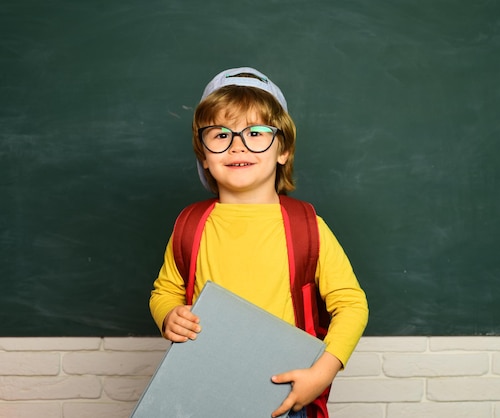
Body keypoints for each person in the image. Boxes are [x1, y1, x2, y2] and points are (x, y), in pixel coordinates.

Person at [149, 67, 368, 418]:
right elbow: (165, 291)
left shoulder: (307, 226)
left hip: (281, 397)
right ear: (203, 155)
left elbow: (351, 304)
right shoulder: (190, 225)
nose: (238, 144)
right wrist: (168, 316)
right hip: (201, 390)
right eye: (220, 135)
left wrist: (322, 373)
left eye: (256, 132)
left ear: (283, 151)